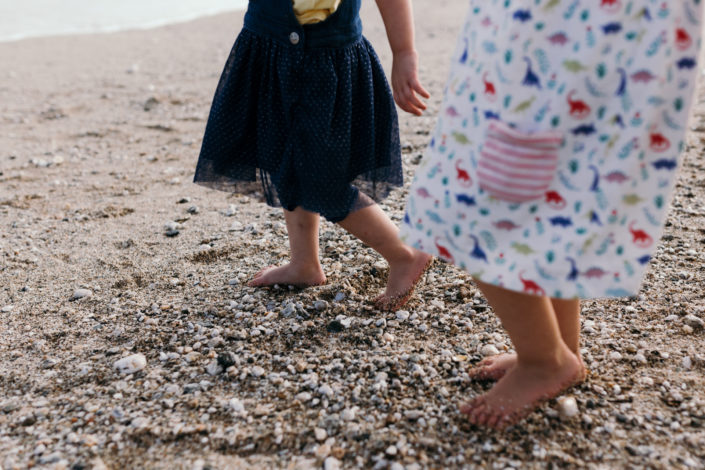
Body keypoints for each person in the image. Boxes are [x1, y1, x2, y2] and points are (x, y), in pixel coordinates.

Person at [400, 0, 703, 428]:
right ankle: (560, 348)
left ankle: (545, 361)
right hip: (567, 35)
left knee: (479, 205)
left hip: (563, 36)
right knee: (550, 196)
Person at [194, 0, 432, 309]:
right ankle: (304, 263)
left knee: (322, 180)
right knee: (285, 159)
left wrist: (403, 52)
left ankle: (404, 254)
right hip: (268, 47)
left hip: (323, 63)